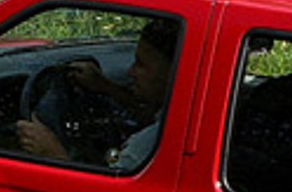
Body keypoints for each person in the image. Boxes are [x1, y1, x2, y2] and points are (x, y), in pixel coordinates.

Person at [15, 20, 177, 171]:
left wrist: (53, 153)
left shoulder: (140, 152)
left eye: (141, 65)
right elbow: (149, 118)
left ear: (173, 73)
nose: (131, 71)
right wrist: (106, 87)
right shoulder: (175, 119)